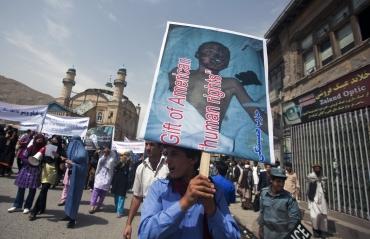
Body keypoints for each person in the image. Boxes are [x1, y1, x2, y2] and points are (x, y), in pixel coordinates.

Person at [138, 145, 240, 239]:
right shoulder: (159, 189)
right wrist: (184, 203)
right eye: (166, 154)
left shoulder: (212, 191)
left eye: (174, 154)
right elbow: (145, 234)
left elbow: (233, 236)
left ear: (193, 159)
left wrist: (212, 210)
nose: (167, 160)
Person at [169, 41, 268, 134]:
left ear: (226, 64)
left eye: (222, 55)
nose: (216, 55)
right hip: (173, 126)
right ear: (197, 54)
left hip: (202, 135)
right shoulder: (180, 71)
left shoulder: (230, 83)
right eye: (209, 51)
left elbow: (255, 113)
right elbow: (162, 93)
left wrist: (277, 131)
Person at [123, 141, 168, 239]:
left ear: (161, 147)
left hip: (167, 222)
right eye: (146, 144)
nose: (148, 148)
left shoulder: (169, 166)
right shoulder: (141, 168)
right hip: (147, 222)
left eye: (152, 145)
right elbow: (137, 197)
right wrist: (128, 224)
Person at [8, 134, 46, 214]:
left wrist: (40, 162)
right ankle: (17, 205)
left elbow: (45, 161)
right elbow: (23, 157)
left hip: (36, 171)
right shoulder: (30, 148)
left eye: (41, 139)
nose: (39, 140)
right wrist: (29, 161)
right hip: (26, 169)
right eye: (38, 138)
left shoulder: (44, 149)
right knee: (21, 188)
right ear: (35, 139)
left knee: (32, 190)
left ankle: (27, 206)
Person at [258, 168, 301, 239]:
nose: (281, 184)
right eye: (278, 181)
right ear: (271, 180)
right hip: (267, 234)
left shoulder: (289, 198)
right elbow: (262, 212)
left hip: (283, 235)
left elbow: (295, 219)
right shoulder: (263, 193)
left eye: (283, 181)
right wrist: (260, 228)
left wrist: (290, 233)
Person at [29, 135, 65, 220]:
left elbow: (64, 160)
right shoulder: (47, 147)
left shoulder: (61, 150)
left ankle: (34, 211)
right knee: (44, 190)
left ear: (59, 141)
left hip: (53, 171)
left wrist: (58, 156)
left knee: (44, 189)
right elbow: (39, 157)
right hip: (44, 169)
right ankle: (42, 208)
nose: (53, 140)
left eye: (56, 139)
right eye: (53, 139)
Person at [60, 136, 89, 228]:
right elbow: (71, 161)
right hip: (71, 176)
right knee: (69, 196)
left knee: (75, 197)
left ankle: (73, 219)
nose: (72, 144)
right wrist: (67, 163)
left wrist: (72, 163)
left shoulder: (83, 153)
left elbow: (83, 168)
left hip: (78, 179)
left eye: (74, 142)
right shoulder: (75, 151)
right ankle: (68, 214)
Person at [89, 146, 116, 214]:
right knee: (95, 192)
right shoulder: (101, 158)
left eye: (106, 151)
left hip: (106, 178)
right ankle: (92, 206)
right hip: (99, 176)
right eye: (104, 151)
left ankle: (98, 206)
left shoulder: (111, 159)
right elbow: (98, 165)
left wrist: (108, 153)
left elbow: (111, 166)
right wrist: (96, 175)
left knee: (102, 194)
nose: (105, 152)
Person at [307, 164, 328, 238]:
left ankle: (323, 231)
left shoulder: (322, 177)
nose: (317, 169)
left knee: (323, 215)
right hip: (314, 199)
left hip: (322, 199)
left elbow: (325, 180)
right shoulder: (311, 175)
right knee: (315, 215)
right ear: (313, 169)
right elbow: (310, 178)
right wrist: (318, 179)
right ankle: (315, 230)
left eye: (319, 168)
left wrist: (321, 179)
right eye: (316, 168)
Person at [111, 151, 131, 218]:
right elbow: (115, 168)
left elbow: (128, 171)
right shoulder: (118, 163)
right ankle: (117, 208)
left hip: (123, 182)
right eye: (121, 155)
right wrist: (120, 162)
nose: (123, 157)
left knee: (121, 197)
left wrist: (126, 161)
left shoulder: (128, 163)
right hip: (117, 182)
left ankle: (119, 211)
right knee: (116, 196)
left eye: (124, 155)